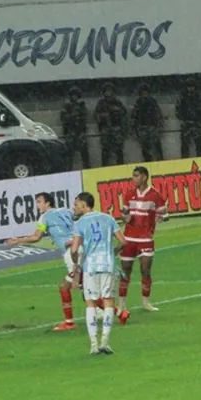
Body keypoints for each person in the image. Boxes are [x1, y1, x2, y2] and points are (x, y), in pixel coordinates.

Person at [6, 192, 80, 331]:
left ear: (47, 203)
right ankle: (99, 312)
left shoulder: (44, 218)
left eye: (39, 202)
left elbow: (36, 237)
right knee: (83, 283)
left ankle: (116, 311)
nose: (37, 205)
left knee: (69, 286)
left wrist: (18, 240)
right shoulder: (66, 210)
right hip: (80, 246)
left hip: (71, 252)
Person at [69, 191, 127, 355]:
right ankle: (105, 342)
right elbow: (123, 241)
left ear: (83, 204)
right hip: (108, 265)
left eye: (76, 204)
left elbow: (74, 249)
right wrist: (113, 252)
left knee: (91, 303)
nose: (74, 207)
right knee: (108, 301)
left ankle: (93, 344)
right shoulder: (108, 218)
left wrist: (76, 262)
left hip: (91, 267)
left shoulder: (79, 223)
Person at [117, 166, 168, 315]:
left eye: (136, 176)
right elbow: (123, 213)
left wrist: (161, 218)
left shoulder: (155, 195)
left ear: (144, 177)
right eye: (133, 176)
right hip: (129, 238)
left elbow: (165, 214)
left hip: (146, 238)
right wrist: (125, 217)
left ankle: (146, 302)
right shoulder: (129, 194)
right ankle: (121, 304)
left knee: (145, 270)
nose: (133, 179)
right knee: (125, 271)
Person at [93, 83, 127, 166]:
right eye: (106, 91)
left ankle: (121, 167)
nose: (108, 93)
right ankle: (104, 168)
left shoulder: (117, 102)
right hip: (106, 129)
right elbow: (96, 115)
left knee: (118, 150)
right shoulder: (101, 103)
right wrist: (103, 116)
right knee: (105, 150)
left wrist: (116, 111)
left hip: (116, 129)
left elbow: (123, 113)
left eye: (110, 91)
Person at [131, 85, 163, 162]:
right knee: (145, 148)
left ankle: (160, 162)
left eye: (146, 92)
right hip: (143, 128)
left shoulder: (153, 102)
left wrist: (159, 126)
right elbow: (134, 116)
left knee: (157, 147)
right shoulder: (138, 103)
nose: (144, 94)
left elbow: (158, 114)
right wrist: (134, 129)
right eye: (143, 93)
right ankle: (148, 162)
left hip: (153, 127)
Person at [60, 87, 90, 168]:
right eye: (72, 95)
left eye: (76, 95)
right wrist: (72, 116)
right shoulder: (67, 106)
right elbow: (63, 118)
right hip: (71, 132)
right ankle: (68, 171)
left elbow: (85, 118)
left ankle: (87, 169)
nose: (74, 97)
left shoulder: (81, 106)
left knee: (85, 155)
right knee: (69, 155)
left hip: (80, 133)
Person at [177, 78, 201, 157]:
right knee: (185, 146)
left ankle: (200, 161)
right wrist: (184, 121)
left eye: (192, 86)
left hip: (196, 124)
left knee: (199, 145)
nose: (190, 88)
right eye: (189, 86)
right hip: (186, 124)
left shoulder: (198, 97)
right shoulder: (182, 97)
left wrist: (199, 122)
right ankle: (185, 163)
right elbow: (178, 110)